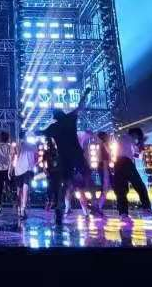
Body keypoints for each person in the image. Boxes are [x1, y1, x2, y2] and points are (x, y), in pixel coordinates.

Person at [38, 87, 93, 223]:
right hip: (77, 156)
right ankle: (92, 202)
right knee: (85, 177)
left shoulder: (54, 127)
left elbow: (40, 132)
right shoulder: (70, 119)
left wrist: (28, 131)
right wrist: (85, 93)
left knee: (63, 185)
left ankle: (60, 209)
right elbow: (80, 107)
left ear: (54, 118)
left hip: (64, 159)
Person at [112, 127, 152, 220]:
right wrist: (141, 142)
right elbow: (138, 153)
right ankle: (146, 208)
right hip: (126, 163)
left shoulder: (123, 139)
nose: (137, 138)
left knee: (121, 190)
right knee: (139, 186)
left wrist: (140, 144)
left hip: (118, 164)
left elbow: (136, 155)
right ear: (135, 134)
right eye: (137, 136)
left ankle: (123, 214)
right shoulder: (128, 138)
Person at [10, 130, 39, 220]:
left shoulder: (18, 145)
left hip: (21, 170)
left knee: (21, 190)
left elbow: (12, 158)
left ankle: (21, 209)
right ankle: (21, 209)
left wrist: (10, 169)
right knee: (23, 190)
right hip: (25, 170)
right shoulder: (31, 145)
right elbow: (36, 159)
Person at [94, 131, 113, 213]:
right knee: (105, 188)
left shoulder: (99, 145)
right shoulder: (103, 145)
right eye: (107, 136)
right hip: (104, 167)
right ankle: (98, 208)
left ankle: (98, 207)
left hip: (102, 167)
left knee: (105, 188)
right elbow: (108, 154)